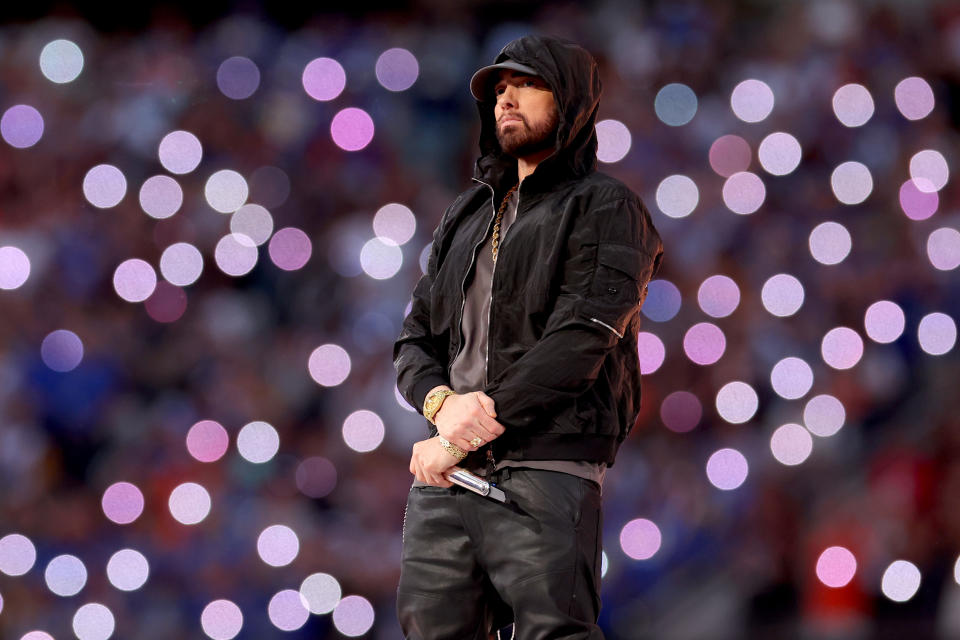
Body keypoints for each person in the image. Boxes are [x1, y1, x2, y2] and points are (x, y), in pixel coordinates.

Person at [393, 33, 664, 639]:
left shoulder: (606, 206)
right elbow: (415, 340)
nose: (506, 99)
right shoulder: (466, 213)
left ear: (570, 102)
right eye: (499, 88)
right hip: (445, 477)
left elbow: (580, 342)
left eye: (527, 84)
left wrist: (461, 433)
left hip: (545, 468)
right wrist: (441, 406)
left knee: (553, 633)